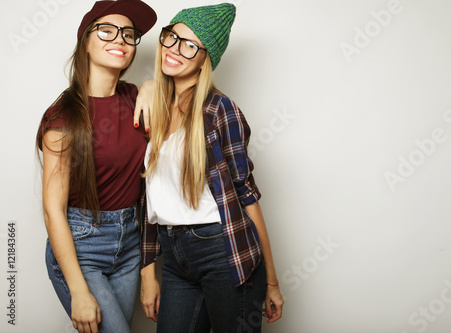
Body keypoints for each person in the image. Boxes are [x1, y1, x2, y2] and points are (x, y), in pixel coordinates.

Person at [139, 3, 284, 332]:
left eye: (189, 45)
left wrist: (272, 281)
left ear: (206, 58)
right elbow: (151, 200)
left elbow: (247, 196)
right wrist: (148, 268)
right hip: (174, 256)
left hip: (222, 251)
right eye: (171, 37)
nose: (174, 49)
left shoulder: (219, 110)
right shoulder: (155, 110)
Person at [36, 1, 156, 332]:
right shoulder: (63, 116)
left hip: (130, 245)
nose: (119, 39)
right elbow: (52, 209)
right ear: (85, 42)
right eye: (107, 30)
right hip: (82, 245)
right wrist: (78, 290)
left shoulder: (137, 98)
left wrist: (153, 85)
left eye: (129, 35)